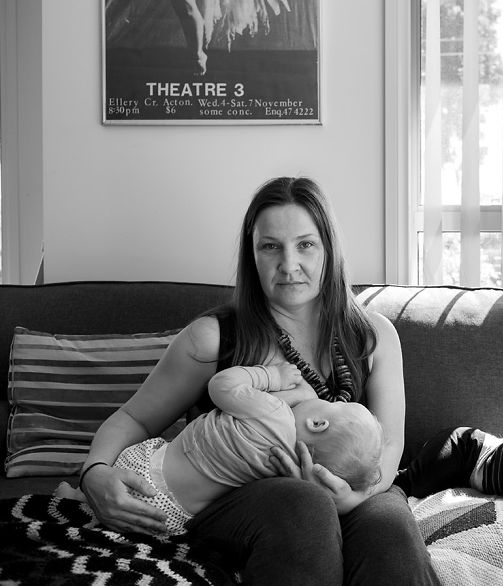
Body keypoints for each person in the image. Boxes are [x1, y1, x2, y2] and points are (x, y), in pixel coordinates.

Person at [77, 177, 439, 585]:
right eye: (270, 246)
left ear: (329, 249)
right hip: (241, 504)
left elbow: (389, 445)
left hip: (360, 491)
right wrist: (95, 473)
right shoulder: (212, 339)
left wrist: (354, 497)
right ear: (252, 255)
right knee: (306, 504)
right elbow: (136, 418)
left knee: (389, 526)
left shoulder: (375, 337)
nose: (289, 264)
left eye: (306, 244)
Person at [60, 363, 385, 536]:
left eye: (332, 404)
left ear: (317, 423)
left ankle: (77, 499)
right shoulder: (287, 469)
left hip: (143, 470)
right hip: (172, 518)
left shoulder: (273, 412)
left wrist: (271, 375)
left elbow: (223, 386)